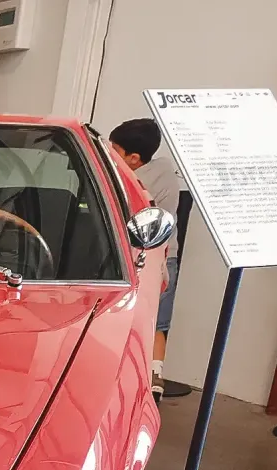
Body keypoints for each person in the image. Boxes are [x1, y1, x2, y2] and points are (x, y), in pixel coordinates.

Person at [110, 118, 185, 403]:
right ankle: (155, 378)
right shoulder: (165, 170)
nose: (109, 152)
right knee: (157, 323)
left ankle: (143, 381)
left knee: (140, 320)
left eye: (115, 149)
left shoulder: (137, 181)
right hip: (165, 255)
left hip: (148, 259)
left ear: (134, 158)